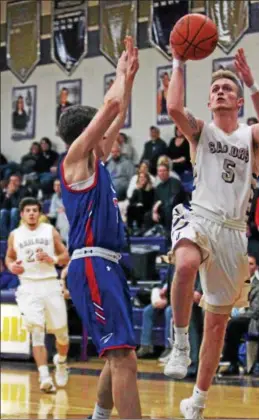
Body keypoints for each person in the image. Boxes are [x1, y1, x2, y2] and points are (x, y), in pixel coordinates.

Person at [164, 47, 259, 419]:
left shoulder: (251, 134)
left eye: (228, 89)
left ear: (239, 100)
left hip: (233, 233)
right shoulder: (201, 130)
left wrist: (253, 83)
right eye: (215, 90)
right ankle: (179, 342)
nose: (220, 92)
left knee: (216, 327)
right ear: (210, 101)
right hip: (200, 216)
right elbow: (175, 110)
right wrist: (179, 61)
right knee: (184, 263)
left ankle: (196, 402)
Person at [58, 37, 141, 419]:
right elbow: (111, 107)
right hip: (91, 263)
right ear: (86, 132)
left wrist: (131, 78)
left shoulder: (97, 162)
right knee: (123, 356)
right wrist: (121, 72)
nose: (106, 135)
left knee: (117, 353)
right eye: (98, 130)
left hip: (107, 263)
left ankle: (99, 417)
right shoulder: (75, 159)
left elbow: (116, 113)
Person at [5, 197, 70, 392]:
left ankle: (61, 360)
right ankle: (44, 377)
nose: (32, 213)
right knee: (37, 332)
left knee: (62, 335)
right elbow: (9, 256)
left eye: (35, 210)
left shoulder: (50, 231)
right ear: (22, 214)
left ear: (40, 213)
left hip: (50, 284)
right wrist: (11, 266)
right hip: (28, 286)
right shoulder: (15, 235)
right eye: (28, 210)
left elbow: (66, 255)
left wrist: (53, 258)